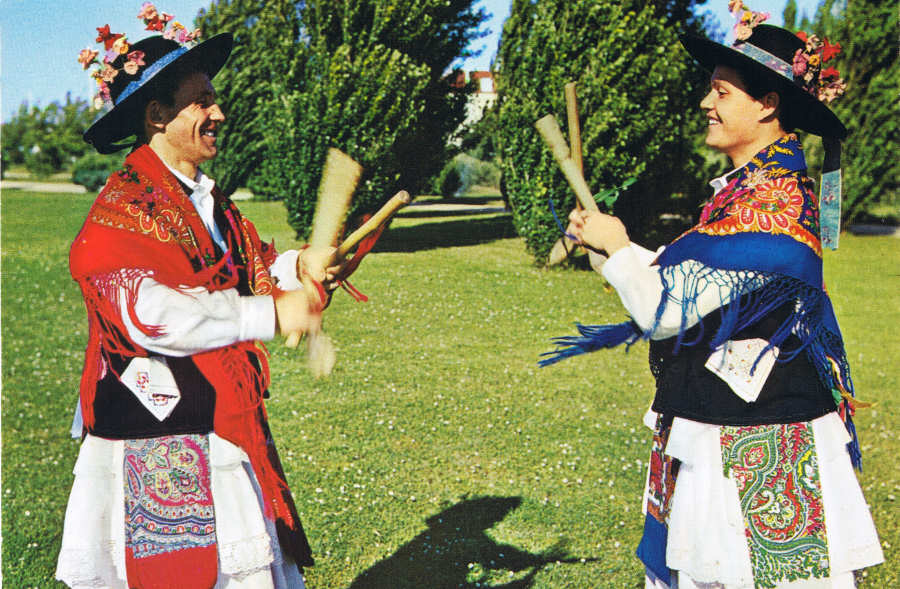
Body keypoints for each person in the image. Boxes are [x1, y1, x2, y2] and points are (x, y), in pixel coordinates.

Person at [546, 7, 884, 588]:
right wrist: (609, 249)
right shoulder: (743, 196)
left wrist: (619, 245)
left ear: (768, 105)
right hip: (714, 425)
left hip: (760, 439)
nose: (707, 102)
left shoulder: (773, 207)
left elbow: (666, 311)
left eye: (722, 92)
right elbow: (687, 283)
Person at [57, 9, 338, 588]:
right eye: (202, 101)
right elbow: (153, 316)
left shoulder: (202, 198)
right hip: (153, 426)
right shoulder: (121, 210)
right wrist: (271, 312)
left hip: (219, 418)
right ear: (157, 116)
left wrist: (298, 266)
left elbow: (242, 269)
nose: (219, 114)